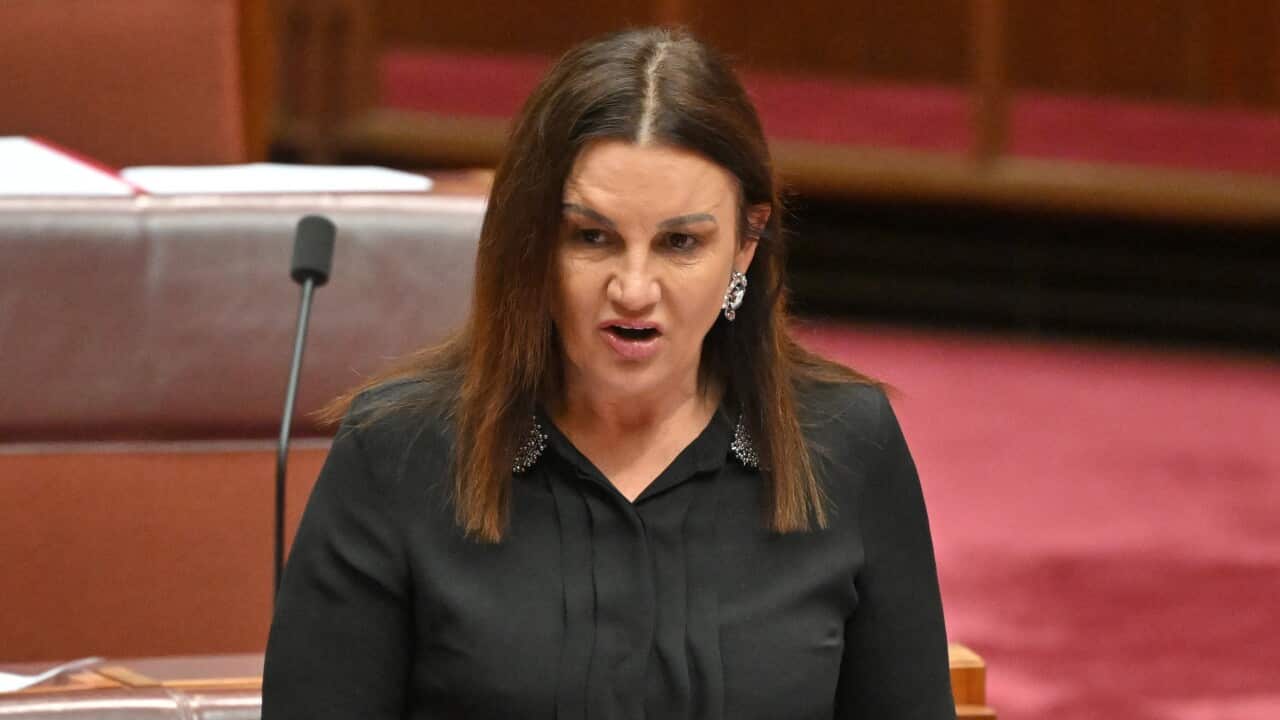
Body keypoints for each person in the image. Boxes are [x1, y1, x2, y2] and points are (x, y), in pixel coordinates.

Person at [262, 27, 953, 720]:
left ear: (745, 245)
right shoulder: (398, 451)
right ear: (533, 243)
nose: (632, 288)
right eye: (592, 237)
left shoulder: (846, 445)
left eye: (680, 243)